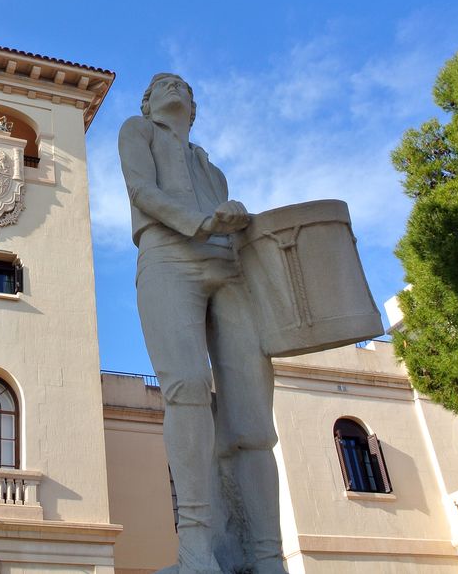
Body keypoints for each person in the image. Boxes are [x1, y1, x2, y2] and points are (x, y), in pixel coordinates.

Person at [118, 73, 286, 574]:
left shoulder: (210, 165)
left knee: (252, 418)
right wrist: (200, 221)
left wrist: (232, 218)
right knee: (187, 386)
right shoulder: (136, 131)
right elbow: (141, 189)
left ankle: (265, 554)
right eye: (162, 84)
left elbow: (227, 220)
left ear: (193, 107)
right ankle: (195, 549)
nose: (173, 87)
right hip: (168, 258)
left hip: (227, 266)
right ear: (149, 103)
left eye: (183, 86)